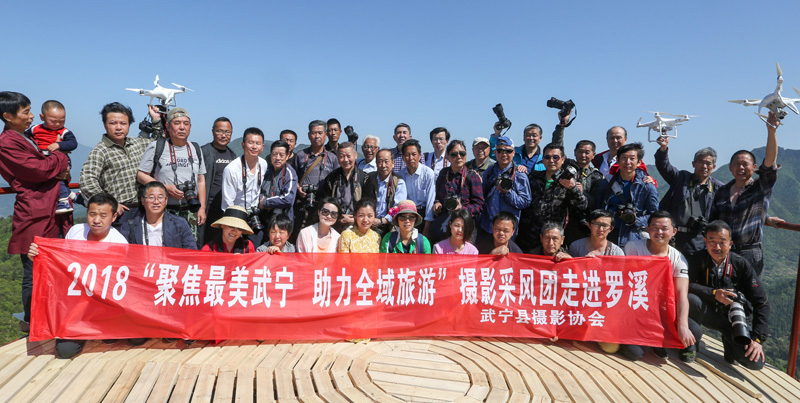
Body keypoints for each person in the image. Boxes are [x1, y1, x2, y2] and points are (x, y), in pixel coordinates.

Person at [28, 193, 130, 358]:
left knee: (129, 337)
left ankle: (103, 327)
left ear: (113, 217)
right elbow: (60, 265)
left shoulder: (119, 243)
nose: (96, 220)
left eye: (103, 215)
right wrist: (39, 257)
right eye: (92, 214)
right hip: (75, 305)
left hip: (104, 305)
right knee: (65, 351)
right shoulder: (75, 232)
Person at [0, 91, 70, 327]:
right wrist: (61, 157)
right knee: (34, 269)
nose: (31, 117)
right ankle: (34, 322)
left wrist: (55, 165)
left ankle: (54, 318)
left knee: (55, 268)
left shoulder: (25, 137)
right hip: (35, 211)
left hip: (51, 208)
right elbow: (39, 170)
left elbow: (46, 167)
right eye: (26, 112)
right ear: (8, 116)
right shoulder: (7, 143)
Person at [611, 211, 697, 362]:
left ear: (674, 231)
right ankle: (655, 340)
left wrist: (682, 325)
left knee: (695, 331)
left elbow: (681, 294)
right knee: (634, 353)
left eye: (664, 228)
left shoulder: (679, 259)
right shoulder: (633, 247)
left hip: (663, 311)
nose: (659, 232)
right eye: (655, 227)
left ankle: (664, 341)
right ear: (648, 229)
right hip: (636, 308)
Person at [687, 220, 769, 369]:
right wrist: (713, 293)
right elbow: (687, 285)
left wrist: (757, 339)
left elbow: (762, 302)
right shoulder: (697, 259)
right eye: (712, 241)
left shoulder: (741, 264)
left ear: (730, 244)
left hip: (733, 320)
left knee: (755, 362)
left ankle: (729, 341)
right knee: (690, 299)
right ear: (705, 242)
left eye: (722, 242)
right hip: (708, 312)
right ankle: (691, 343)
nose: (717, 247)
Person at [710, 113, 779, 276]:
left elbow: (769, 164)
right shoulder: (721, 192)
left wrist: (771, 132)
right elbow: (713, 220)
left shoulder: (759, 187)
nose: (741, 168)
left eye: (745, 164)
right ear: (730, 168)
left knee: (748, 290)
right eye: (737, 164)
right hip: (723, 251)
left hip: (750, 252)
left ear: (754, 167)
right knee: (723, 289)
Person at [137, 107, 207, 234]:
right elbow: (141, 175)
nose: (182, 127)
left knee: (189, 245)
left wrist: (202, 208)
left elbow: (201, 180)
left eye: (186, 123)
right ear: (168, 126)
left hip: (190, 210)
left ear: (190, 127)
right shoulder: (157, 146)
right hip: (163, 210)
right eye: (177, 123)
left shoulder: (196, 148)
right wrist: (165, 188)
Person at [80, 102, 153, 218]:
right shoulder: (100, 150)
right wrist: (109, 202)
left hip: (143, 210)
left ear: (129, 125)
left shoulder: (137, 143)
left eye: (123, 123)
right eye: (113, 123)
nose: (118, 127)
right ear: (105, 125)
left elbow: (157, 143)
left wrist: (155, 119)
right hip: (119, 212)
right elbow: (87, 181)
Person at [655, 136, 724, 256]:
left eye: (708, 163)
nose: (704, 166)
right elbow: (664, 166)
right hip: (673, 237)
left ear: (714, 167)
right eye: (701, 162)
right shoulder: (681, 178)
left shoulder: (719, 188)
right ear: (693, 164)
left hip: (699, 239)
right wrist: (663, 149)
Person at [518, 143, 588, 252]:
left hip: (551, 240)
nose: (551, 160)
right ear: (543, 159)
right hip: (528, 237)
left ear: (563, 159)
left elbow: (582, 206)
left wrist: (573, 188)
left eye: (555, 157)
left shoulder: (568, 181)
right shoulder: (533, 177)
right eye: (547, 157)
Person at [595, 142, 658, 248]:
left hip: (633, 236)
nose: (627, 162)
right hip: (607, 235)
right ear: (618, 160)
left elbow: (654, 214)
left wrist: (636, 220)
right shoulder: (607, 183)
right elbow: (598, 207)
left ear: (639, 162)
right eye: (624, 158)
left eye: (632, 159)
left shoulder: (647, 186)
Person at [26, 100, 77, 215]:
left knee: (57, 179)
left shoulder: (64, 131)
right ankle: (72, 195)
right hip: (43, 159)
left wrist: (59, 145)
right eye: (53, 121)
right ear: (42, 117)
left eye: (62, 120)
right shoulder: (34, 129)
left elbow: (73, 143)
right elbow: (24, 138)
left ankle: (63, 201)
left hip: (60, 159)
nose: (57, 124)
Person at [221, 127, 269, 245]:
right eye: (250, 142)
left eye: (258, 143)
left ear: (263, 147)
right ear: (243, 145)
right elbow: (227, 203)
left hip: (255, 218)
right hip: (236, 218)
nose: (254, 147)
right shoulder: (232, 169)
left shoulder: (263, 164)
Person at [292, 120, 339, 238]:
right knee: (301, 236)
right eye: (314, 133)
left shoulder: (333, 158)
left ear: (325, 135)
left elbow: (337, 182)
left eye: (320, 133)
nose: (317, 136)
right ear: (309, 135)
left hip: (324, 208)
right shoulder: (300, 155)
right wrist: (298, 188)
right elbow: (293, 178)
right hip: (303, 205)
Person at [430, 140, 484, 243]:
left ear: (466, 155)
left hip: (464, 223)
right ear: (448, 157)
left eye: (462, 153)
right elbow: (437, 196)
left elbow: (479, 205)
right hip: (444, 221)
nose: (459, 157)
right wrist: (437, 202)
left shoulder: (472, 176)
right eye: (454, 154)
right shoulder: (443, 173)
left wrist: (462, 209)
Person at [479, 136, 531, 242]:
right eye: (500, 151)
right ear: (495, 152)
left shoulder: (519, 175)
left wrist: (508, 193)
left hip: (507, 231)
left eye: (508, 151)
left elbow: (525, 202)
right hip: (487, 226)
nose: (504, 154)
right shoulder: (489, 171)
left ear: (513, 153)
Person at [119, 181, 197, 249]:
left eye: (160, 197)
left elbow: (191, 251)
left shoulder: (179, 223)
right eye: (151, 197)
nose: (156, 202)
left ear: (166, 200)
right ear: (143, 200)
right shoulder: (130, 226)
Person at [198, 117, 237, 247]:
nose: (223, 135)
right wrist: (201, 207)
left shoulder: (233, 156)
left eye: (227, 132)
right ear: (213, 131)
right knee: (203, 243)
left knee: (220, 245)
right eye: (219, 131)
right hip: (206, 208)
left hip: (224, 210)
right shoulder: (203, 152)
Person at [320, 142, 367, 231]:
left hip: (358, 225)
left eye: (349, 156)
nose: (345, 160)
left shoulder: (364, 178)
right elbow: (326, 202)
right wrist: (338, 217)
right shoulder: (331, 178)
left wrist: (355, 219)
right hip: (335, 223)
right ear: (337, 157)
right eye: (342, 156)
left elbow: (368, 205)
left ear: (356, 155)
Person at [565, 140, 605, 243]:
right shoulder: (565, 169)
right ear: (575, 152)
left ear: (593, 155)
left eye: (587, 152)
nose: (583, 155)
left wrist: (580, 192)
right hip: (564, 217)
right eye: (580, 151)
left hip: (584, 221)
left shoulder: (596, 176)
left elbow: (595, 201)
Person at [362, 148, 407, 235]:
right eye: (380, 161)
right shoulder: (369, 178)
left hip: (390, 225)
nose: (383, 165)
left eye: (386, 162)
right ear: (376, 163)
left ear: (393, 163)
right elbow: (364, 201)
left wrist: (382, 221)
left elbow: (398, 208)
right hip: (369, 223)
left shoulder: (399, 182)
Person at [399, 139, 436, 233]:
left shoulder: (428, 174)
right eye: (407, 155)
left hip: (423, 213)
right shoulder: (400, 175)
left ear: (420, 156)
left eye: (414, 154)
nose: (410, 158)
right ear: (403, 157)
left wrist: (427, 228)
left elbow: (430, 201)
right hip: (406, 214)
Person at [259, 140, 297, 224]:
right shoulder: (266, 171)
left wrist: (266, 202)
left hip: (282, 221)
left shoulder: (290, 173)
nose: (277, 158)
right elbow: (256, 190)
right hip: (263, 219)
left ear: (287, 156)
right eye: (274, 154)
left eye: (281, 155)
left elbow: (288, 198)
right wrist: (261, 199)